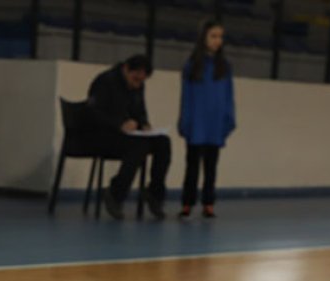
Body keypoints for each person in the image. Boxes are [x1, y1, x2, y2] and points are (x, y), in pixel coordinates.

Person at [84, 54, 170, 221]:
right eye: (135, 77)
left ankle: (154, 193)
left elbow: (139, 111)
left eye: (142, 80)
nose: (138, 83)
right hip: (102, 135)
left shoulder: (138, 85)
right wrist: (118, 124)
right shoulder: (105, 81)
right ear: (125, 69)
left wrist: (144, 124)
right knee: (139, 147)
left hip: (128, 135)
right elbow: (92, 112)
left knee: (163, 143)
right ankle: (116, 193)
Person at [178, 19, 236, 219]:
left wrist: (229, 118)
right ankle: (187, 202)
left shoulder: (225, 67)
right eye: (213, 36)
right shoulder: (192, 65)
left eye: (220, 37)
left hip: (214, 123)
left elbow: (229, 95)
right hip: (196, 123)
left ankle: (208, 203)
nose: (217, 41)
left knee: (211, 166)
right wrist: (185, 120)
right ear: (203, 37)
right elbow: (186, 96)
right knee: (192, 165)